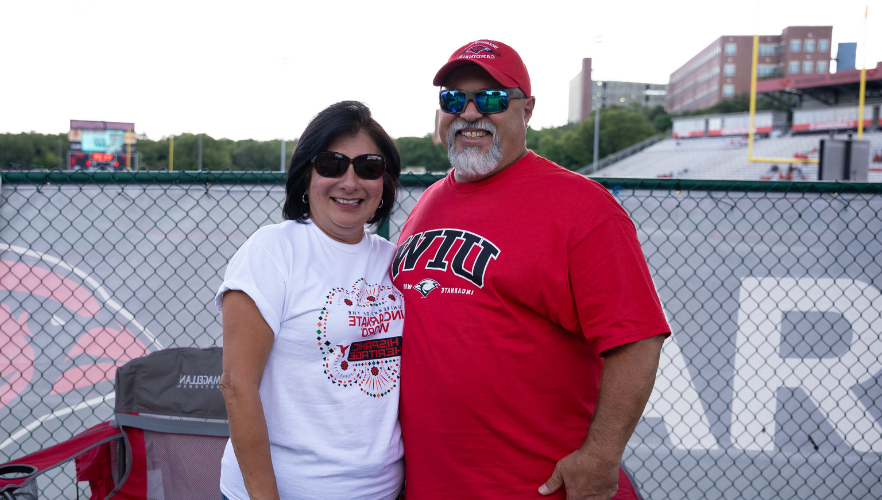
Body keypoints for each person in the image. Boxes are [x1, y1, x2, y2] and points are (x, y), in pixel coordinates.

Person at [391, 40, 670, 500]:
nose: (470, 113)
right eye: (453, 99)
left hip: (535, 486)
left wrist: (600, 456)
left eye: (493, 98)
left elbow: (637, 340)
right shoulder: (431, 200)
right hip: (435, 485)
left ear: (527, 110)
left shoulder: (583, 207)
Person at [217, 101, 405, 500]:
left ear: (384, 181)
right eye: (332, 164)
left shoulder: (395, 261)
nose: (350, 181)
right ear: (306, 175)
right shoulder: (272, 252)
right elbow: (237, 385)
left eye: (368, 166)